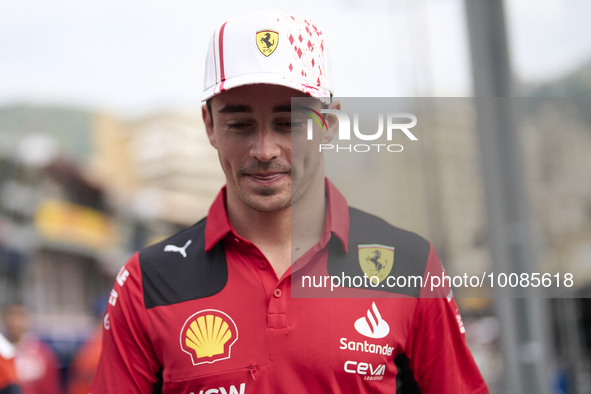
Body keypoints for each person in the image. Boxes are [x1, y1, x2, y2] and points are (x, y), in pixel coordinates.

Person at [91, 10, 489, 393]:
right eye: (240, 124)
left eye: (290, 122)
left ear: (328, 124)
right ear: (209, 125)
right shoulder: (147, 283)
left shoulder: (410, 265)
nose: (264, 150)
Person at [2, 304, 60, 394]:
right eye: (12, 315)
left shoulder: (41, 352)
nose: (16, 322)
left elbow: (50, 387)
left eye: (20, 315)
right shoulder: (2, 353)